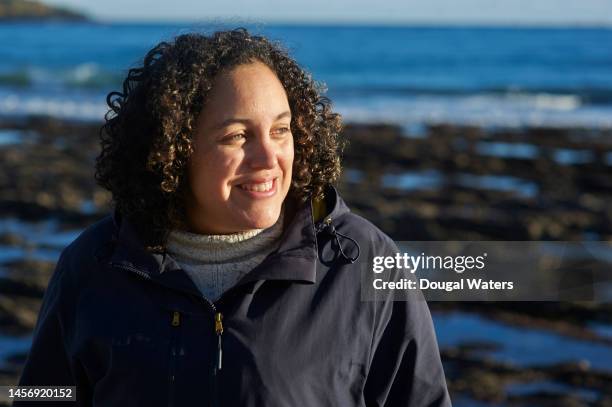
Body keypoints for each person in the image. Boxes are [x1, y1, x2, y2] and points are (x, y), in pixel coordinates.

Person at [16, 28, 451, 406]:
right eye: (237, 136)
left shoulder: (364, 260)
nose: (269, 158)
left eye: (281, 130)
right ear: (172, 152)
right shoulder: (91, 266)